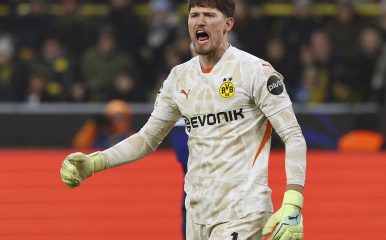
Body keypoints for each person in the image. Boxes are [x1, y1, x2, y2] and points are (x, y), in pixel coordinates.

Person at [60, 1, 307, 239]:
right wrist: (95, 163)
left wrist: (293, 203)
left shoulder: (256, 72)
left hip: (244, 210)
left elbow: (293, 136)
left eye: (209, 15)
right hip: (197, 213)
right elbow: (146, 139)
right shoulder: (179, 78)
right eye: (194, 15)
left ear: (228, 24)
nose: (200, 21)